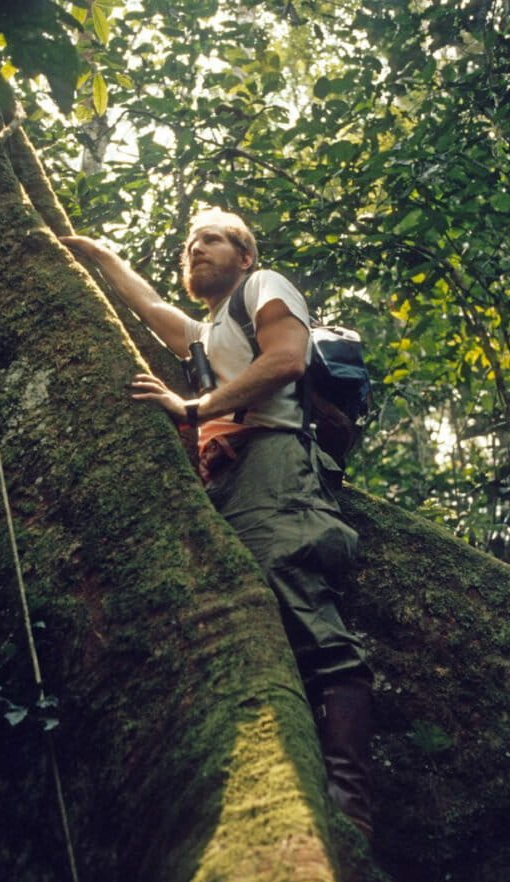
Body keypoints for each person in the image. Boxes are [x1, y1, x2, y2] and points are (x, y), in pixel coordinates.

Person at [61, 209, 375, 837]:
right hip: (227, 481)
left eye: (211, 239)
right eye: (188, 244)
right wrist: (96, 253)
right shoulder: (205, 334)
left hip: (275, 462)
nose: (195, 249)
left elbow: (286, 360)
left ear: (246, 256)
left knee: (297, 597)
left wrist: (194, 405)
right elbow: (148, 303)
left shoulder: (265, 289)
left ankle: (349, 797)